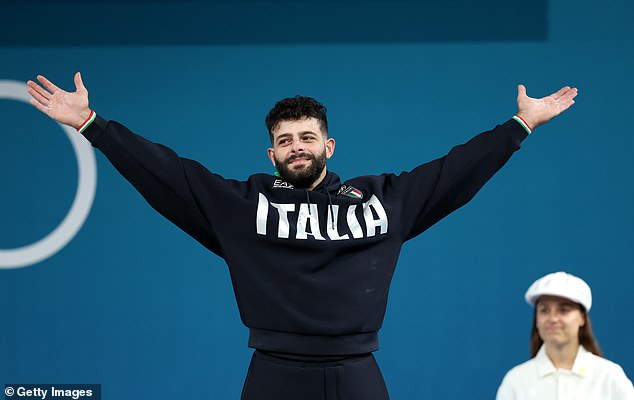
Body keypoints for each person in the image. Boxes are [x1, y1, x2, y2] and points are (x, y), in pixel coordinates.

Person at [27, 72, 577, 400]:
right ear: (271, 153)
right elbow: (166, 173)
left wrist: (519, 126)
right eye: (285, 140)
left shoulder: (382, 199)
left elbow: (453, 172)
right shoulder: (242, 207)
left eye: (307, 137)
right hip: (274, 373)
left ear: (328, 146)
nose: (297, 146)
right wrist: (91, 123)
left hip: (359, 372)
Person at [496, 271, 634, 400]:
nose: (553, 318)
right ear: (536, 320)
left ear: (582, 319)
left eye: (564, 310)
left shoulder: (609, 377)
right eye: (544, 310)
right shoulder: (516, 381)